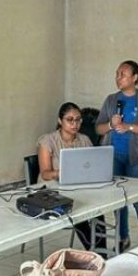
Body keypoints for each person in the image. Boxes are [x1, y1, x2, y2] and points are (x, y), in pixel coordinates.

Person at [96, 60, 138, 250]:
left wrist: (129, 127)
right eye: (117, 74)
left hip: (136, 158)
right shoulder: (110, 100)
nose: (118, 78)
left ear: (135, 78)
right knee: (119, 202)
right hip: (113, 156)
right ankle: (123, 238)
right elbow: (98, 128)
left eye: (122, 75)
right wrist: (110, 125)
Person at [36, 102, 106, 253]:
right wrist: (61, 172)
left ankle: (100, 252)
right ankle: (97, 253)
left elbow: (92, 164)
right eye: (70, 119)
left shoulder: (84, 140)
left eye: (78, 120)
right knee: (77, 210)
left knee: (99, 209)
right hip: (52, 189)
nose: (75, 124)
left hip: (77, 186)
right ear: (60, 121)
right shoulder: (47, 141)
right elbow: (45, 174)